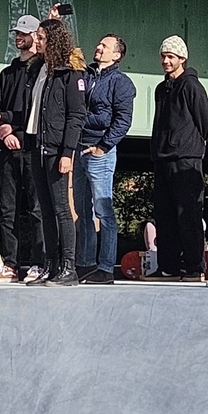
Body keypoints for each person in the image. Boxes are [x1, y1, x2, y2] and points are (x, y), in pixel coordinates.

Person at [146, 36, 208, 282]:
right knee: (164, 216)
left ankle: (195, 267)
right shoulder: (160, 88)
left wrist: (188, 142)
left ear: (182, 59)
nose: (166, 61)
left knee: (188, 215)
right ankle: (168, 267)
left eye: (171, 57)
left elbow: (207, 122)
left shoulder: (191, 86)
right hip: (162, 158)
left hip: (186, 158)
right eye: (164, 56)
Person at [25, 19, 86, 284]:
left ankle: (69, 267)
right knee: (46, 209)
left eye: (41, 37)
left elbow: (76, 115)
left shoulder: (70, 73)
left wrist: (67, 152)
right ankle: (51, 264)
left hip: (56, 148)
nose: (36, 41)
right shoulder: (39, 69)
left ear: (53, 40)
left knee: (62, 208)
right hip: (36, 146)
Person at [0, 14, 44, 283]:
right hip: (7, 150)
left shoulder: (43, 71)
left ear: (36, 36)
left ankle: (38, 263)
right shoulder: (7, 73)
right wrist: (4, 131)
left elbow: (34, 111)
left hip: (32, 148)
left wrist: (12, 126)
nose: (18, 36)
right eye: (17, 33)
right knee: (7, 209)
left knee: (36, 209)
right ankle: (10, 264)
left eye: (24, 33)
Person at [75, 35, 136, 283]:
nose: (98, 47)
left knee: (103, 210)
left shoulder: (121, 82)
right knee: (82, 209)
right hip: (78, 148)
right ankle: (86, 263)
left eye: (104, 46)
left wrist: (103, 146)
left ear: (117, 55)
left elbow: (123, 121)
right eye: (98, 44)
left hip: (99, 150)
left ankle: (106, 267)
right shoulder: (86, 76)